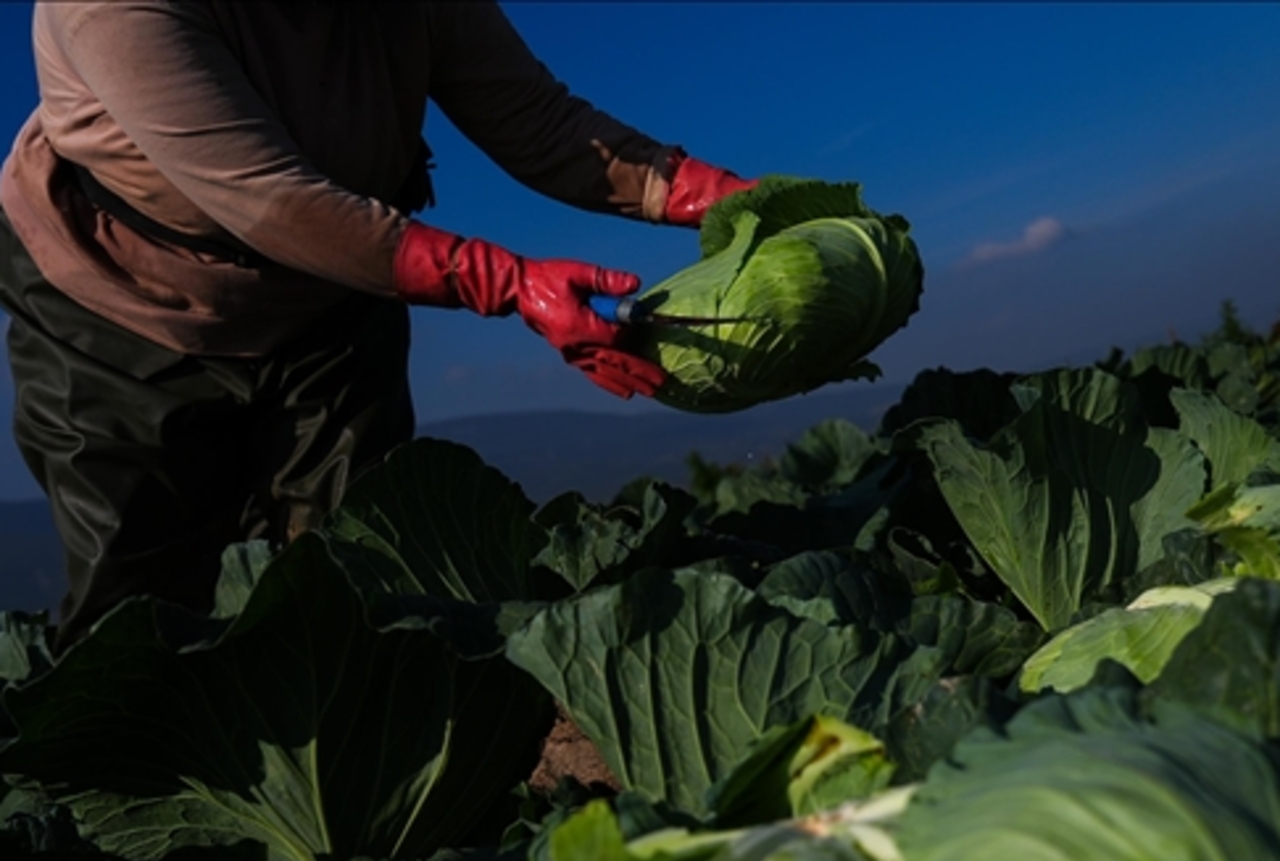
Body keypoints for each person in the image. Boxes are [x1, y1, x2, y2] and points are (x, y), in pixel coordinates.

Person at [0, 2, 754, 650]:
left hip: (336, 292)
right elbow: (272, 201)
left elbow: (538, 120)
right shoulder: (111, 8)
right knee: (140, 597)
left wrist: (721, 195)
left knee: (353, 565)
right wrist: (511, 283)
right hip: (120, 304)